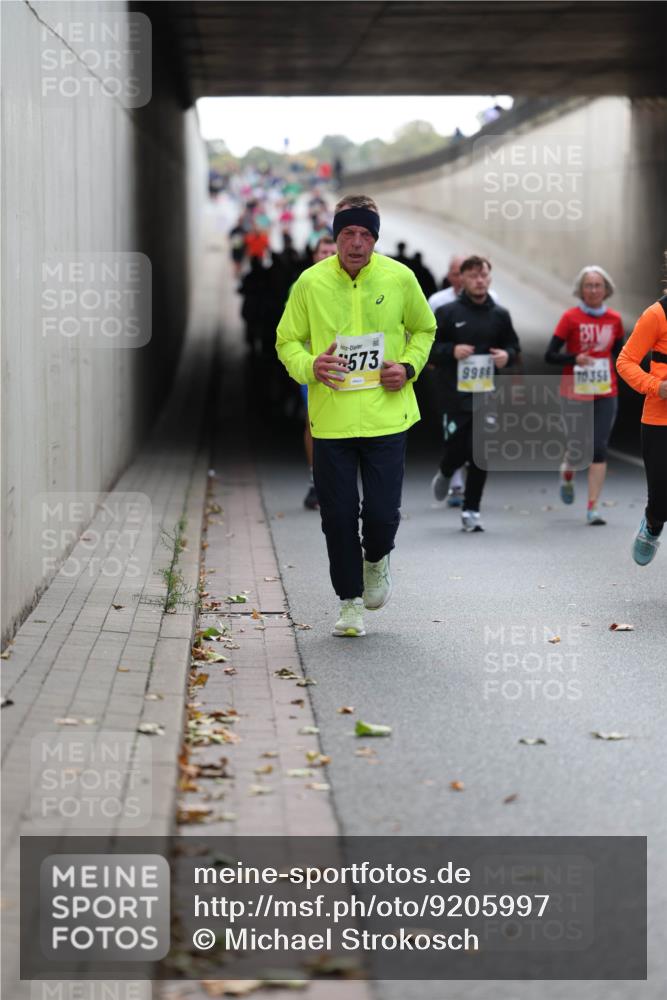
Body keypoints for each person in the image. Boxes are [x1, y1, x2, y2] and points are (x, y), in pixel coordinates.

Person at [276, 195, 436, 637]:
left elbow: (425, 329)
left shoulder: (400, 278)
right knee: (338, 516)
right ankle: (349, 603)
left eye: (366, 235)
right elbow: (287, 341)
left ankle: (376, 559)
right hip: (332, 420)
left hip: (388, 416)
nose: (357, 243)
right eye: (348, 233)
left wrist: (408, 367)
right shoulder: (310, 283)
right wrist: (311, 366)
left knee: (382, 515)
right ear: (335, 235)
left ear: (375, 239)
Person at [429, 255, 520, 532]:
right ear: (461, 280)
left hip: (486, 394)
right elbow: (428, 350)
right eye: (472, 276)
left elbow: (513, 347)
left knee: (479, 452)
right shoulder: (448, 313)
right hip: (453, 395)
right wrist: (451, 351)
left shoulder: (500, 315)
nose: (479, 281)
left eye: (483, 276)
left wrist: (507, 355)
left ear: (489, 279)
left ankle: (471, 509)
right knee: (457, 448)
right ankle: (446, 470)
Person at [544, 266, 624, 525]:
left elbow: (621, 356)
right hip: (574, 392)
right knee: (578, 449)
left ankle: (593, 508)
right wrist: (574, 358)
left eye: (597, 285)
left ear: (606, 290)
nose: (593, 290)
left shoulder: (614, 320)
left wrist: (616, 370)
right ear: (581, 290)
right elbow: (550, 355)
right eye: (588, 285)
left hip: (605, 391)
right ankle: (567, 473)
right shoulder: (570, 318)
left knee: (599, 448)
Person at [616, 263, 667, 564]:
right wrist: (655, 386)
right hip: (660, 420)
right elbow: (625, 362)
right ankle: (653, 523)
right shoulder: (656, 315)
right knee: (661, 497)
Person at [300, 235, 337, 510]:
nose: (327, 256)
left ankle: (338, 482)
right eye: (323, 251)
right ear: (314, 256)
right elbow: (290, 334)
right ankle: (316, 481)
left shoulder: (348, 284)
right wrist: (307, 363)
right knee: (314, 421)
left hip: (345, 366)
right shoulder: (303, 285)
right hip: (314, 367)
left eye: (331, 252)